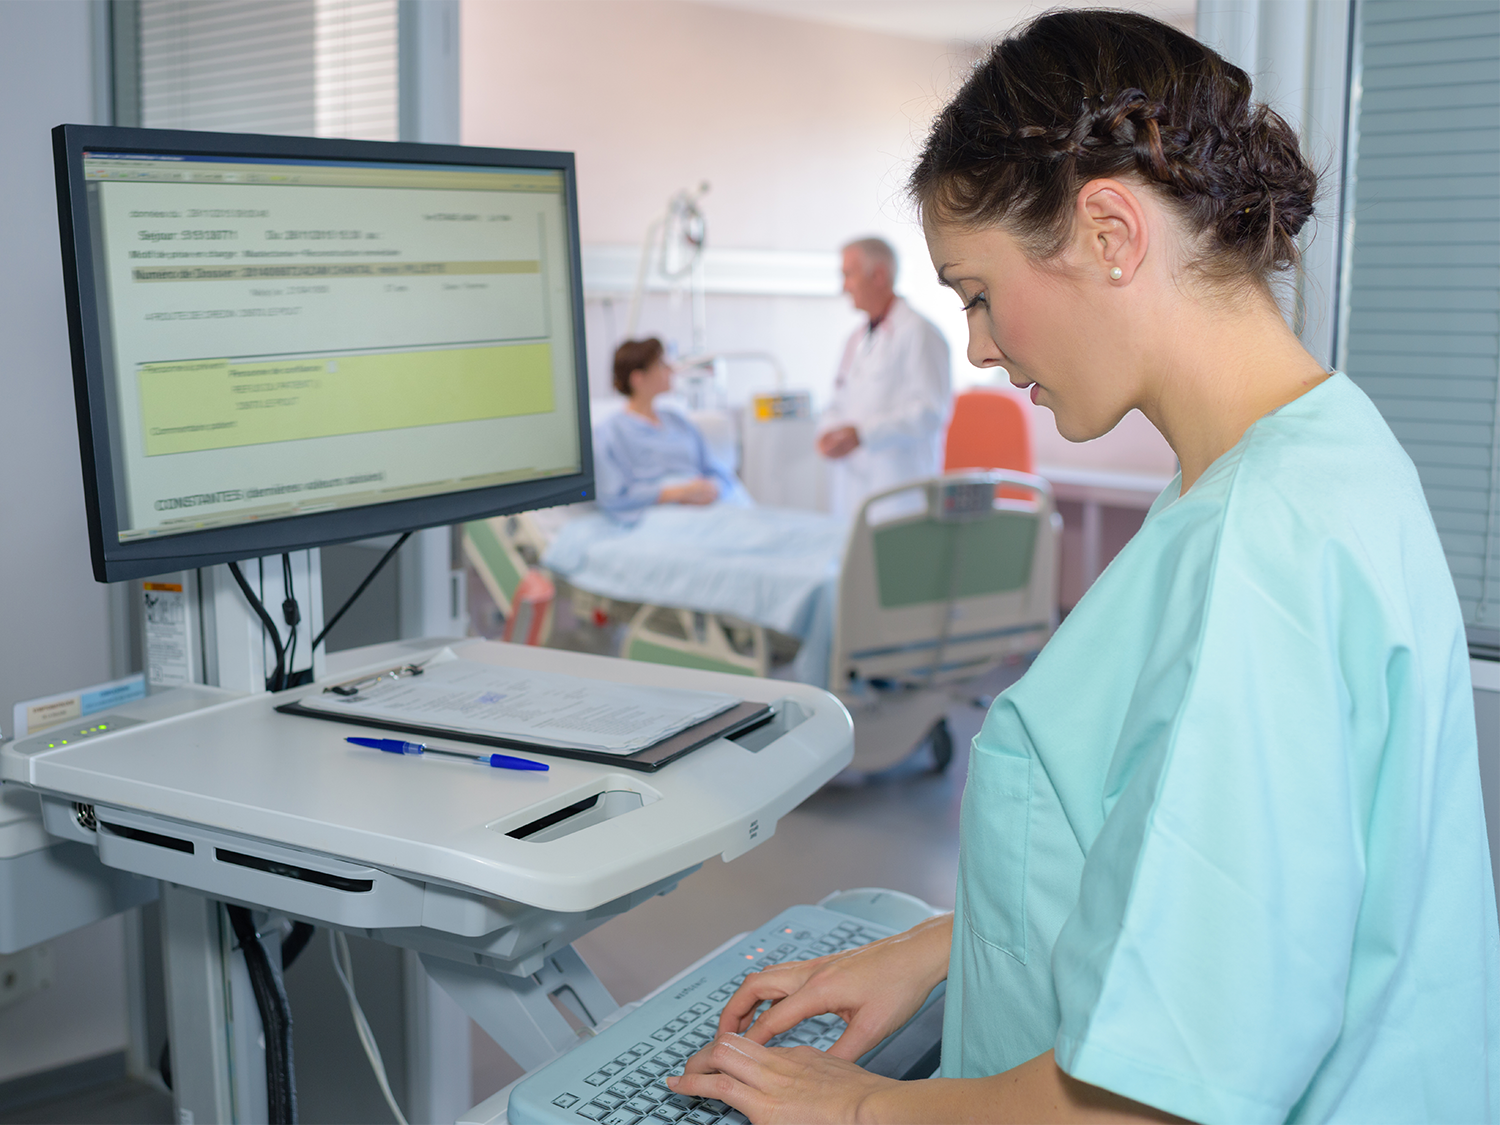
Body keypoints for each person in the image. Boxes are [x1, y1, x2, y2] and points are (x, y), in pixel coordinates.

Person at [670, 11, 1500, 1124]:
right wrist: (940, 950)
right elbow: (1218, 885)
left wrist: (857, 1108)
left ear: (1109, 232)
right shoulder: (1318, 457)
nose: (977, 345)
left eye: (975, 290)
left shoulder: (1258, 550)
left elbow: (1155, 1098)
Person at [817, 237, 951, 518]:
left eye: (848, 275)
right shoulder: (854, 340)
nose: (843, 287)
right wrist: (828, 432)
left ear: (878, 275)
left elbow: (929, 412)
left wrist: (863, 434)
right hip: (854, 490)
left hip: (901, 495)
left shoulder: (919, 333)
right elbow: (839, 402)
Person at [595, 337, 750, 525]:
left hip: (710, 508)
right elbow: (614, 496)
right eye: (661, 365)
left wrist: (713, 489)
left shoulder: (679, 422)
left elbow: (716, 471)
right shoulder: (610, 433)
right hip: (661, 518)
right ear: (638, 378)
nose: (671, 370)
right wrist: (677, 493)